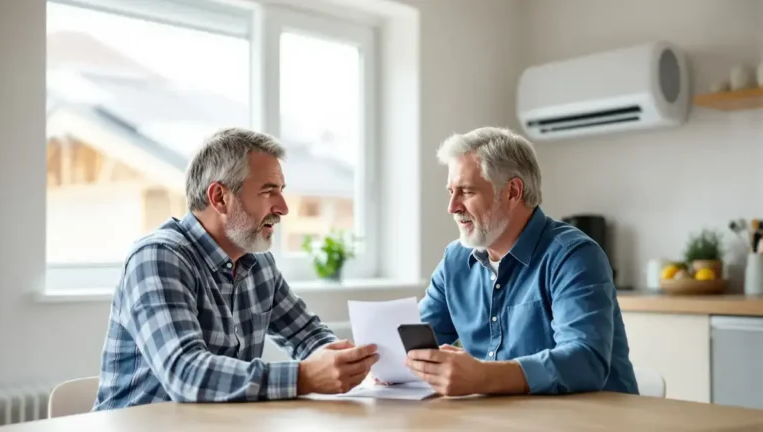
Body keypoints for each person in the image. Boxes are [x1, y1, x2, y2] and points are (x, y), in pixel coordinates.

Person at [93, 127, 378, 410]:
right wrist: (303, 377)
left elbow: (308, 335)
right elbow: (186, 374)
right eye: (269, 192)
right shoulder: (158, 258)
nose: (283, 208)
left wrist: (350, 362)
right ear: (219, 198)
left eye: (281, 191)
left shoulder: (258, 263)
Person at [407, 126, 638, 397]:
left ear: (513, 192)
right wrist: (362, 359)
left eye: (467, 192)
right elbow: (414, 340)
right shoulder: (455, 260)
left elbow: (585, 361)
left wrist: (483, 376)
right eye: (451, 192)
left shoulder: (574, 256)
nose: (453, 207)